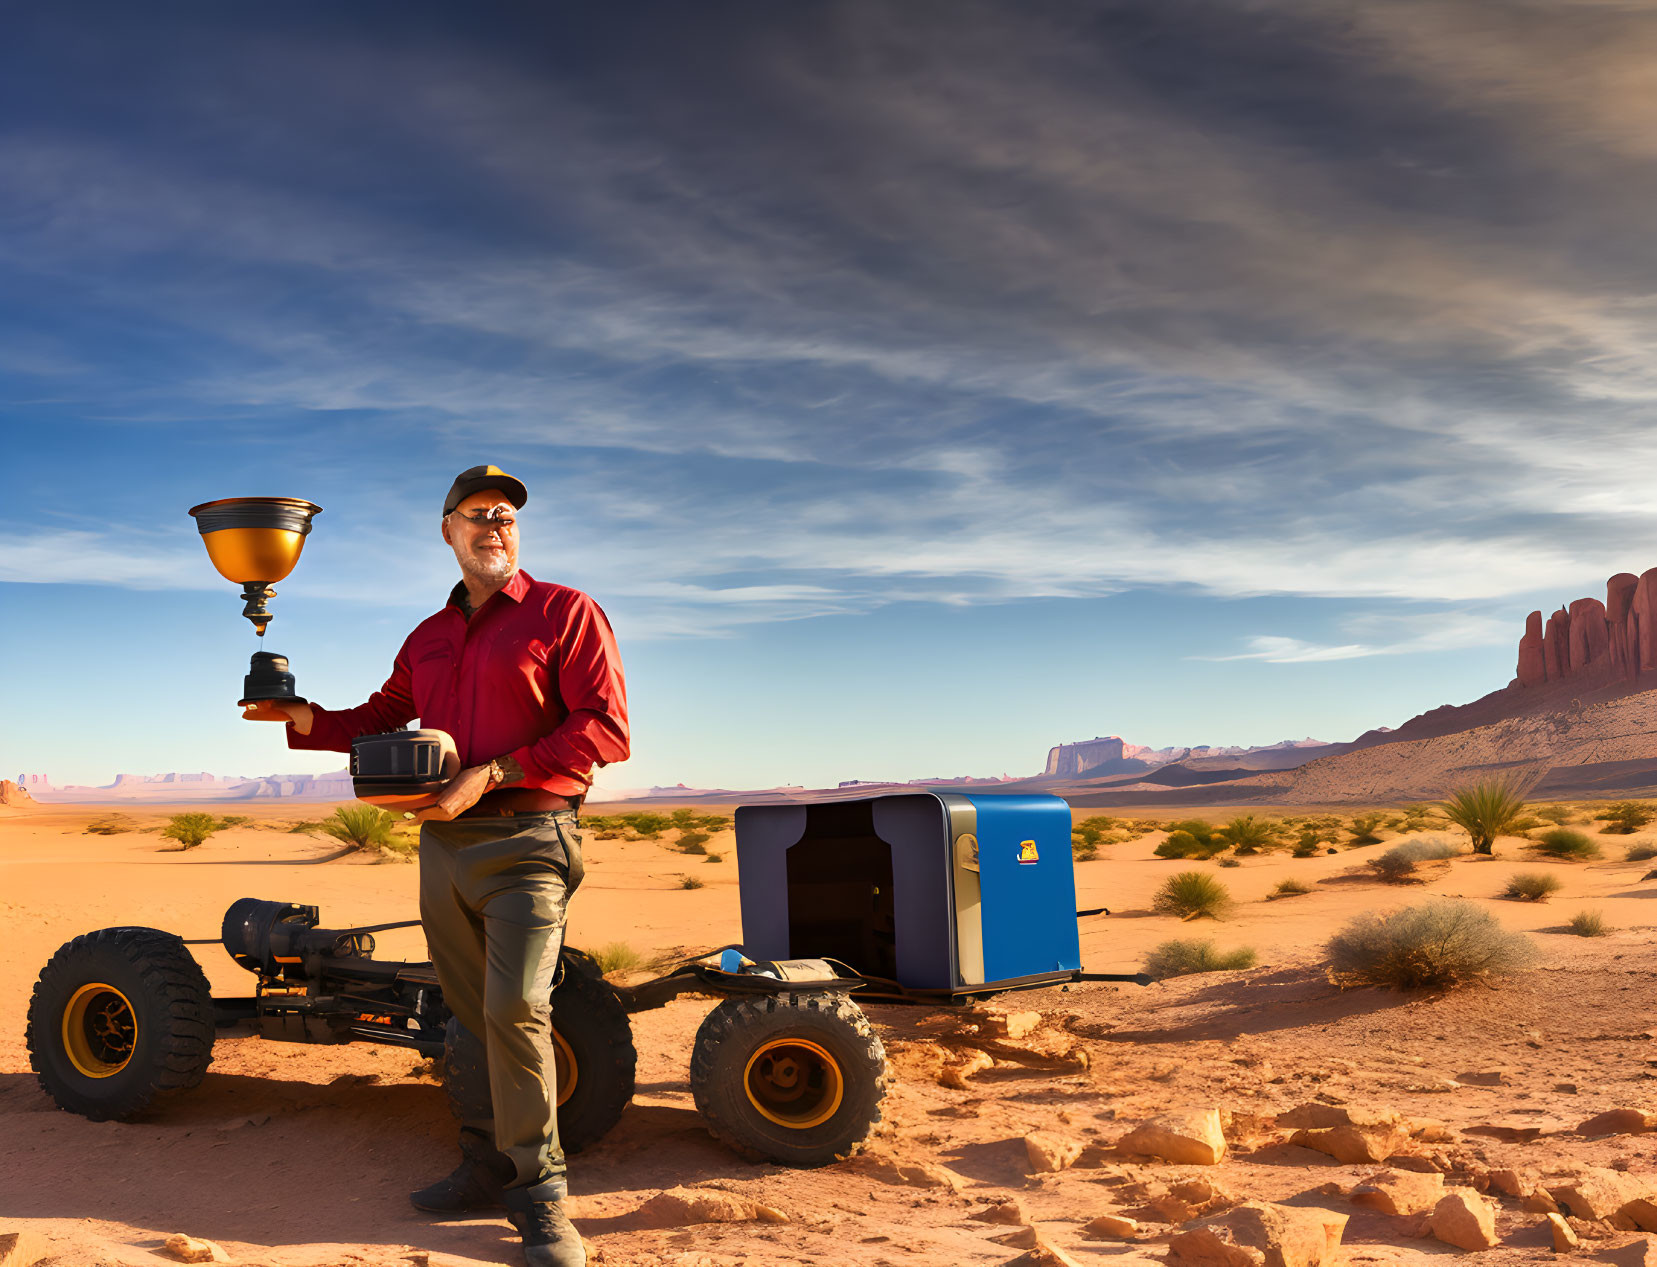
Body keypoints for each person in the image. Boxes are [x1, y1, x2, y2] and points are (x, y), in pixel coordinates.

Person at [243, 464, 628, 1267]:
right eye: (478, 514)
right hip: (443, 848)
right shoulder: (427, 635)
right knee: (466, 1013)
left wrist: (491, 773)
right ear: (447, 530)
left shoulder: (566, 612)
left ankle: (541, 1194)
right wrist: (300, 715)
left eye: (508, 516)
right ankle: (486, 1161)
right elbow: (381, 715)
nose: (496, 526)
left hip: (528, 841)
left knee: (518, 1008)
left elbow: (604, 728)